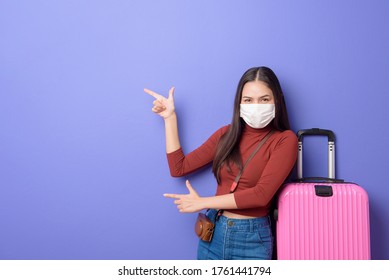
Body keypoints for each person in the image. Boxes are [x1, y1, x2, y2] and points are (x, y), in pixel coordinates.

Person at [144, 66, 297, 260]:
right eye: (248, 100)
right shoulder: (226, 134)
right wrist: (169, 118)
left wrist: (203, 202)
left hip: (250, 241)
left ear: (277, 100)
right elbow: (178, 167)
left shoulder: (285, 140)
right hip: (213, 234)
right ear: (239, 103)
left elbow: (261, 195)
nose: (256, 106)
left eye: (264, 99)